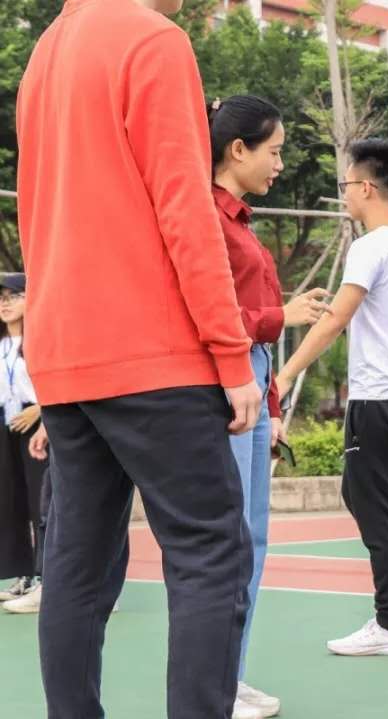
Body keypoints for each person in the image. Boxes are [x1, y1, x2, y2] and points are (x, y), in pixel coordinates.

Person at [17, 0, 262, 716]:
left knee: (76, 567)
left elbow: (35, 211)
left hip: (67, 354)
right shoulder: (153, 40)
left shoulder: (46, 53)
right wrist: (231, 354)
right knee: (210, 553)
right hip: (156, 355)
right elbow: (185, 208)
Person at [276, 138, 388, 659]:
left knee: (376, 506)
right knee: (364, 496)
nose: (344, 193)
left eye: (346, 184)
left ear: (367, 187)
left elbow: (335, 320)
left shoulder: (371, 247)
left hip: (379, 397)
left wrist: (284, 376)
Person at [210, 94, 333, 719]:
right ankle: (215, 684)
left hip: (254, 385)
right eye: (275, 151)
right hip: (225, 388)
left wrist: (275, 403)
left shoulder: (242, 221)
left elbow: (258, 341)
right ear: (239, 150)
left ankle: (229, 676)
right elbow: (212, 316)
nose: (281, 164)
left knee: (253, 538)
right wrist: (281, 315)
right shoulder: (206, 218)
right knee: (230, 541)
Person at [0, 273, 46, 612]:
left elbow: (59, 382)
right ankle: (23, 576)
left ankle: (48, 577)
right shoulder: (2, 344)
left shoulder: (41, 340)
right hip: (6, 425)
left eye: (13, 295)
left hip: (37, 427)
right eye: (1, 297)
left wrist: (39, 412)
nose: (5, 303)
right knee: (10, 503)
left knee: (40, 503)